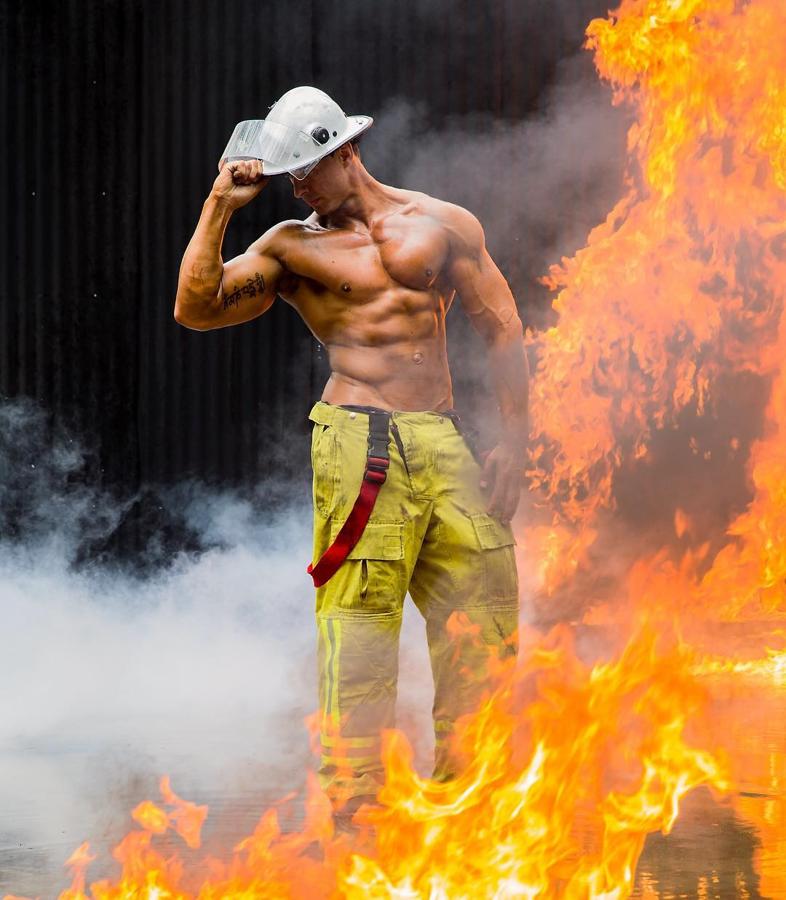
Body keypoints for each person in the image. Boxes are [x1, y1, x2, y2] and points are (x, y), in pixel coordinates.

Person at [174, 87, 529, 814]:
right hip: (359, 440)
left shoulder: (443, 223)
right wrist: (219, 205)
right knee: (360, 640)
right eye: (290, 172)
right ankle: (356, 828)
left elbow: (503, 327)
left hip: (443, 435)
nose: (298, 183)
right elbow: (196, 308)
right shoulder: (289, 248)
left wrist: (517, 441)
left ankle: (472, 821)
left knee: (485, 627)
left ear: (346, 150)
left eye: (308, 167)